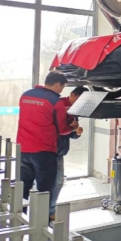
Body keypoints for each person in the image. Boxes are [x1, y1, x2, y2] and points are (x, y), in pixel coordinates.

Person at [17, 72, 73, 215]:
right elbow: (62, 130)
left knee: (23, 187)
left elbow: (40, 108)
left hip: (23, 149)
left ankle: (20, 218)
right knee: (44, 190)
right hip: (44, 151)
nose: (61, 91)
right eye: (62, 87)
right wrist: (73, 127)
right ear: (58, 84)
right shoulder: (56, 102)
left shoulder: (26, 95)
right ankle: (40, 222)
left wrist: (64, 104)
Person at [49, 86, 86, 220]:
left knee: (57, 181)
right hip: (49, 148)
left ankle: (49, 211)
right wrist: (71, 128)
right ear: (72, 94)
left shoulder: (74, 110)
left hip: (59, 150)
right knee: (50, 181)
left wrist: (77, 132)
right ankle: (47, 211)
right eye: (79, 99)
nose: (80, 103)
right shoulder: (57, 105)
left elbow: (70, 132)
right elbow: (54, 127)